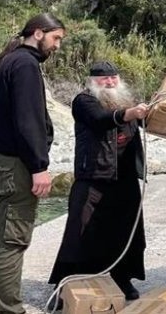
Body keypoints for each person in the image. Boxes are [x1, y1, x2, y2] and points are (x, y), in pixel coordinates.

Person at [0, 13, 66, 314]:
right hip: (17, 167)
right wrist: (38, 166)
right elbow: (27, 121)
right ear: (38, 33)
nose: (57, 46)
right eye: (56, 38)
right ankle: (11, 311)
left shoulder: (3, 62)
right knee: (11, 241)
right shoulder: (26, 66)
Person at [48, 61, 149, 301]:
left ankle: (121, 277)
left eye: (114, 78)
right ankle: (67, 284)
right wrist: (130, 113)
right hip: (94, 175)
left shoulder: (127, 101)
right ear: (93, 81)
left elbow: (148, 122)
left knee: (127, 231)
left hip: (125, 178)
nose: (111, 82)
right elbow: (101, 119)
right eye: (105, 79)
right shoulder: (83, 102)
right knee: (81, 232)